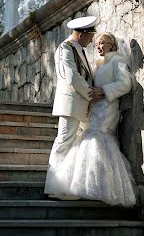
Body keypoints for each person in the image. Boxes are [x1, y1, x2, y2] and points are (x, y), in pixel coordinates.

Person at [45, 31, 137, 207]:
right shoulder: (98, 64)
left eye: (102, 43)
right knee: (86, 140)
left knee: (98, 140)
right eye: (97, 45)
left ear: (112, 44)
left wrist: (103, 91)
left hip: (107, 109)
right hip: (94, 108)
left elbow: (125, 84)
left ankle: (103, 188)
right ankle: (83, 186)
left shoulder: (117, 61)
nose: (99, 47)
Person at [44, 16, 100, 200]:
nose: (92, 39)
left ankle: (64, 185)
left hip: (79, 104)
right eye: (90, 35)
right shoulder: (65, 48)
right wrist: (91, 93)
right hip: (71, 103)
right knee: (64, 141)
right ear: (82, 34)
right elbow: (71, 76)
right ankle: (54, 187)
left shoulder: (78, 49)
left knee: (69, 142)